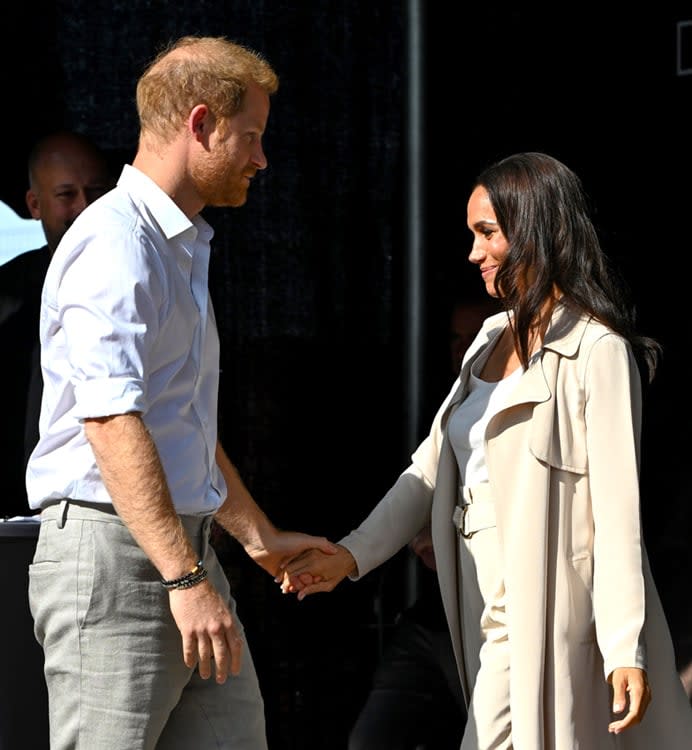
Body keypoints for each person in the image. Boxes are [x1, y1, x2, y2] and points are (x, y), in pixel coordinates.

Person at [279, 152, 692, 748]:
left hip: (546, 602)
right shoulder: (490, 337)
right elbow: (428, 466)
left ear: (536, 231)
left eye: (488, 233)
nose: (473, 253)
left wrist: (625, 645)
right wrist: (350, 556)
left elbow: (617, 511)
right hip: (475, 594)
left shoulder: (597, 349)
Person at [26, 35, 336, 750]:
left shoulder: (175, 243)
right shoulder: (116, 243)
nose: (261, 158)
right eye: (251, 136)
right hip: (121, 560)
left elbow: (177, 427)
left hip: (178, 557)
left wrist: (255, 541)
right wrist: (185, 577)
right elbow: (110, 422)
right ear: (200, 124)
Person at [348, 294, 499, 750]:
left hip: (498, 618)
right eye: (457, 338)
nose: (464, 348)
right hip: (432, 618)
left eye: (475, 337)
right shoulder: (452, 401)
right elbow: (421, 478)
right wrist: (349, 554)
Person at [0, 130, 114, 518]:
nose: (86, 207)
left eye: (97, 192)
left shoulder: (141, 278)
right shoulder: (7, 292)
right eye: (67, 195)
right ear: (34, 204)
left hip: (103, 510)